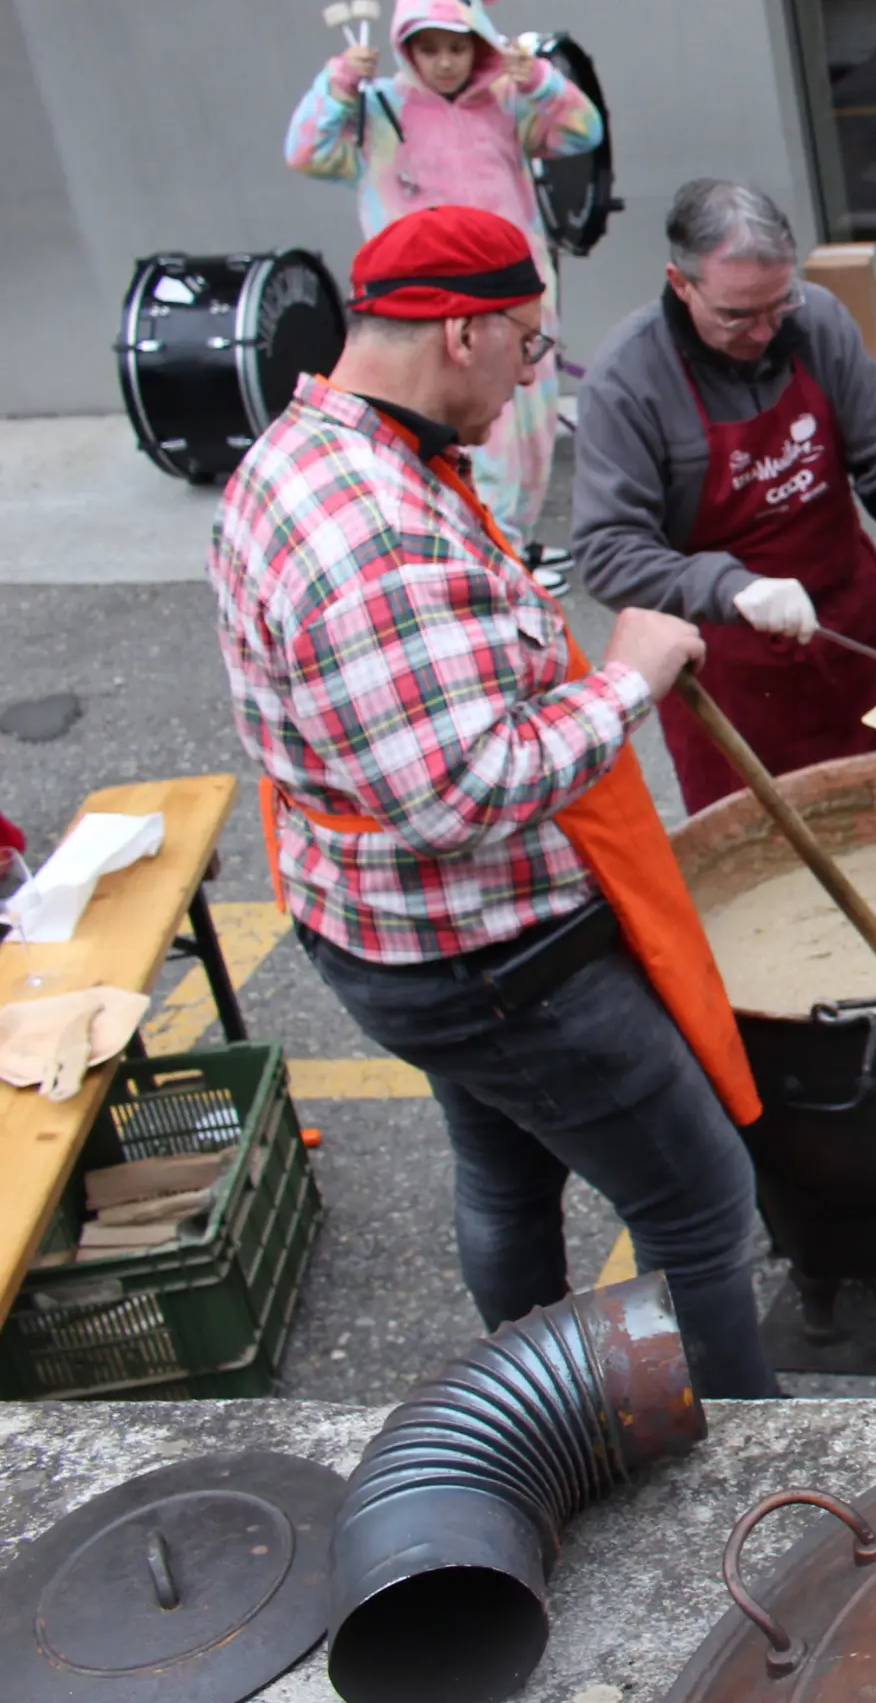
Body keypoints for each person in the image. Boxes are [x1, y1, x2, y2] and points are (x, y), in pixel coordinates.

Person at [209, 206, 775, 1397]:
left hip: (391, 930)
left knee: (506, 1166)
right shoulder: (372, 532)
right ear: (460, 332)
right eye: (527, 348)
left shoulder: (311, 448)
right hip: (496, 962)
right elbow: (465, 793)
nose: (534, 379)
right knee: (700, 1204)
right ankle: (742, 1472)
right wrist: (630, 677)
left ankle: (536, 1390)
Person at [570, 180, 876, 812]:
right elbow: (607, 551)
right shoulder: (628, 380)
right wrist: (732, 586)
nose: (761, 331)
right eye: (736, 316)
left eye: (777, 306)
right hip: (729, 662)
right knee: (774, 850)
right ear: (680, 283)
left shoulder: (820, 322)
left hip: (853, 619)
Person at [286, 0, 603, 579]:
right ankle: (463, 560)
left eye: (458, 46)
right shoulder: (376, 110)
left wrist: (538, 78)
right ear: (407, 48)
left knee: (524, 423)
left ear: (479, 42)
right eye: (428, 48)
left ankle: (510, 548)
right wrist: (339, 82)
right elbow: (307, 152)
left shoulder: (508, 101)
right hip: (418, 304)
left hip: (510, 297)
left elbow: (581, 131)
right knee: (427, 421)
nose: (445, 61)